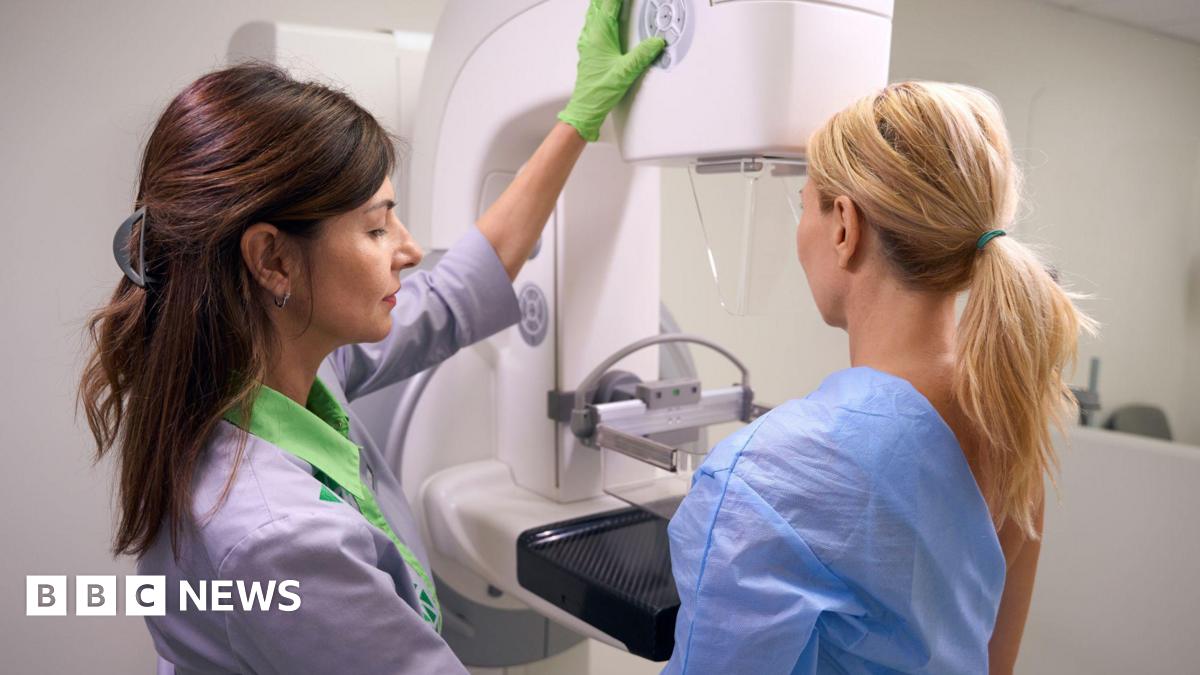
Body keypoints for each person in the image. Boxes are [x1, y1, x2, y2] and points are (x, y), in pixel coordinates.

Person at [77, 2, 664, 672]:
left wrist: (577, 120)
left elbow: (458, 291)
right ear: (273, 260)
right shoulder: (281, 536)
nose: (411, 250)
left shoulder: (257, 369)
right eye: (378, 226)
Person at [663, 81, 1096, 674]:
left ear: (844, 225)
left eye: (803, 206)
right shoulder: (1009, 429)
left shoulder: (763, 480)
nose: (800, 236)